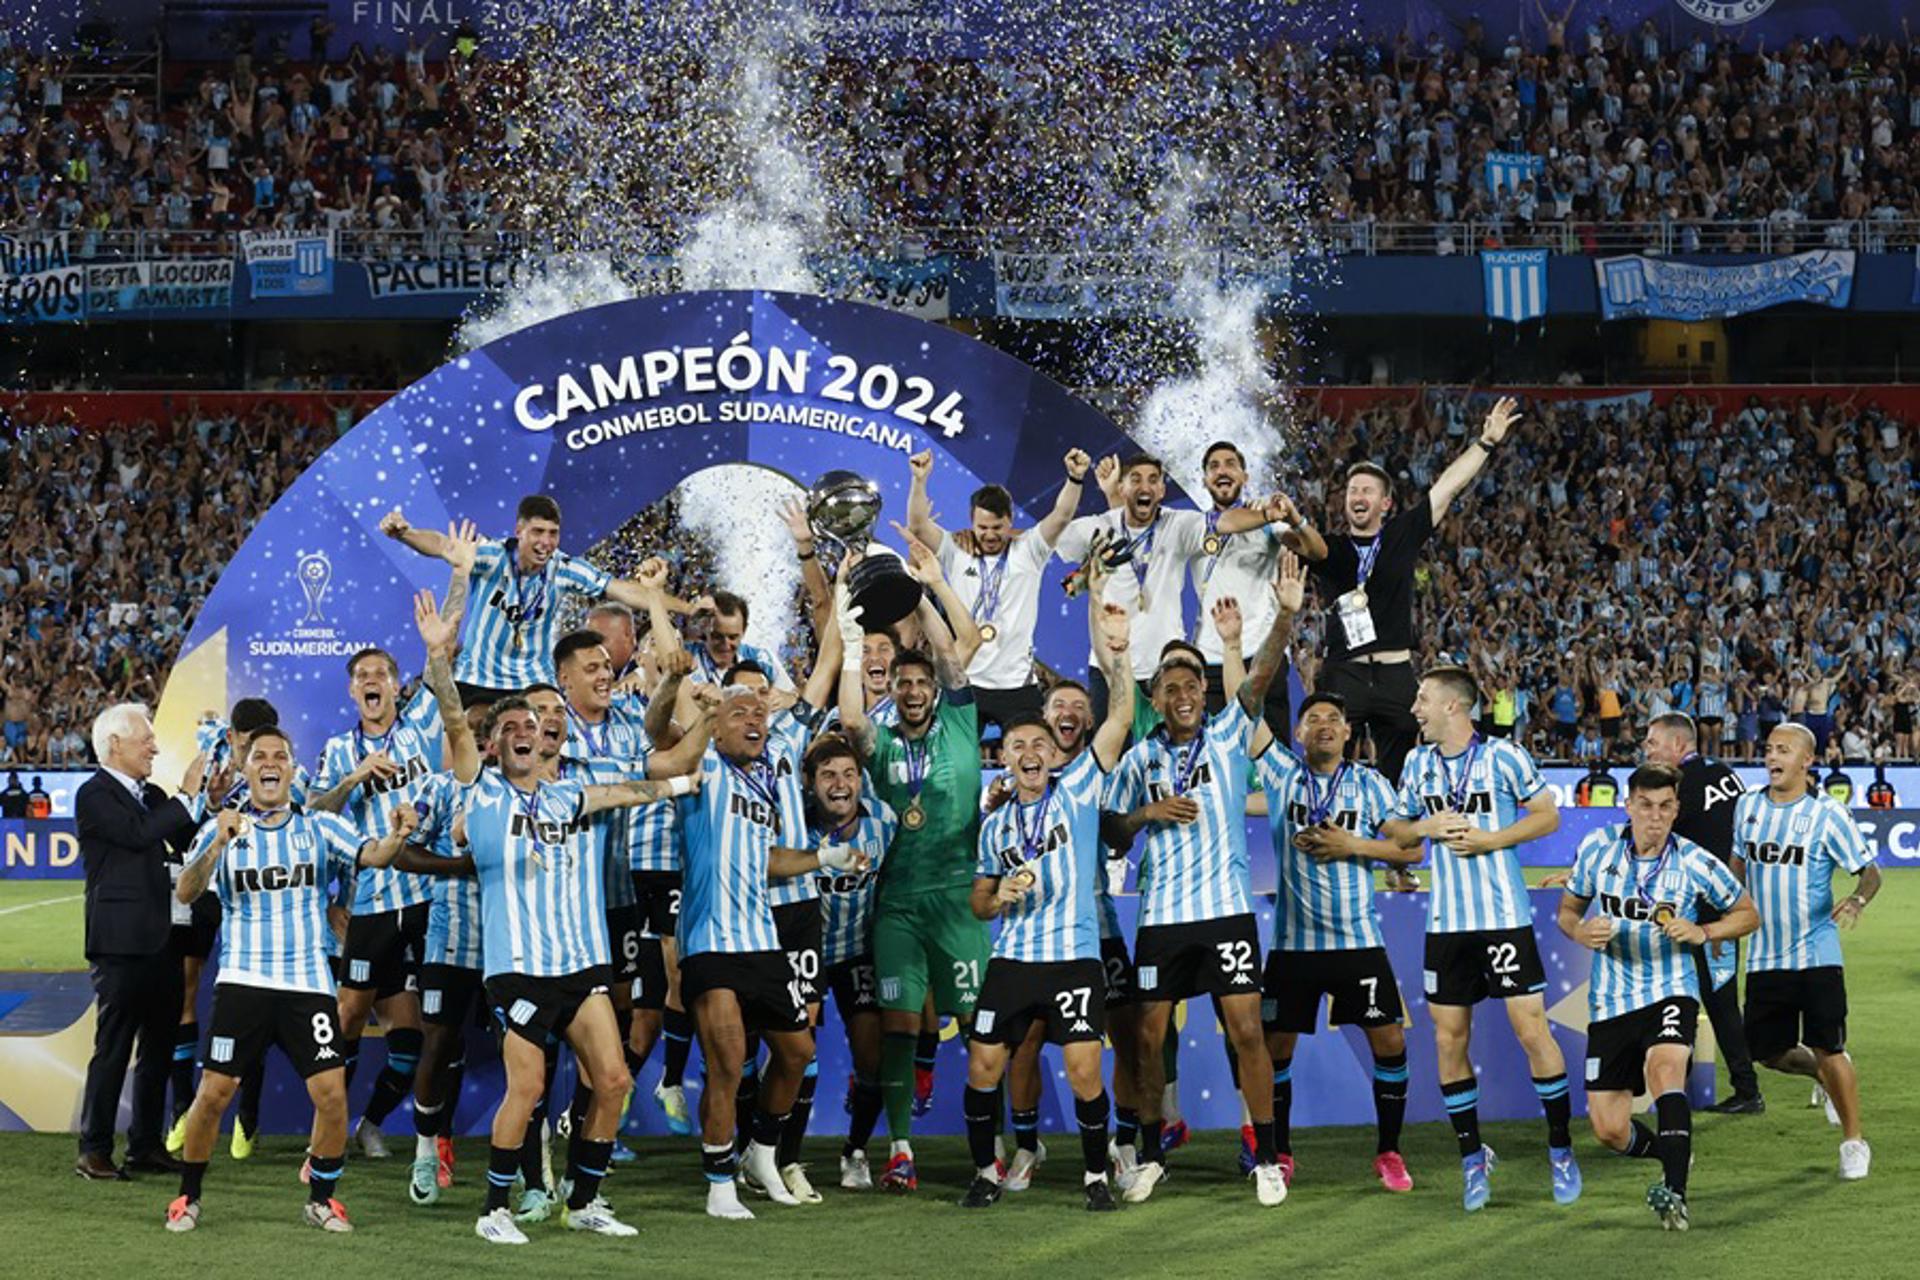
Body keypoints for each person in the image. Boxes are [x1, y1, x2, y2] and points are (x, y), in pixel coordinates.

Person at [416, 588, 693, 1245]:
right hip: (517, 972)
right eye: (508, 730)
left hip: (580, 965)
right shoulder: (479, 792)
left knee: (614, 1078)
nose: (522, 735)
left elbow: (633, 787)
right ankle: (495, 1210)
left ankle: (585, 1199)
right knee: (529, 1086)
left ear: (544, 739)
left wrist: (686, 783)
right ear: (492, 745)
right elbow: (456, 725)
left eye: (531, 728)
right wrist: (437, 659)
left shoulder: (569, 793)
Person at [1107, 552, 1306, 1206]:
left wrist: (1281, 613)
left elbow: (1266, 670)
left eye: (1193, 683)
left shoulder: (1227, 735)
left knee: (1247, 1033)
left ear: (1204, 692)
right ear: (1157, 697)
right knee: (1145, 1037)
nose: (1185, 693)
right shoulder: (1140, 758)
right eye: (1172, 685)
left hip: (1225, 913)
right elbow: (1110, 831)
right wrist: (1145, 813)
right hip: (1161, 918)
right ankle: (1150, 1150)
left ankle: (1268, 1157)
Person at [164, 726, 417, 1233]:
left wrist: (398, 835)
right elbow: (187, 893)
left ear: (293, 770)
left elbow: (373, 855)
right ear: (247, 769)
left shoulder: (320, 826)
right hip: (244, 982)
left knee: (331, 1095)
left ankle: (322, 1199)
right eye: (260, 756)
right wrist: (215, 843)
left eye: (281, 755)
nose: (270, 763)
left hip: (307, 985)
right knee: (212, 1095)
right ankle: (187, 1197)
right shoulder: (224, 827)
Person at [958, 566, 1134, 1213]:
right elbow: (977, 900)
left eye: (1039, 743)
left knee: (1085, 1068)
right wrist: (996, 897)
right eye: (1017, 744)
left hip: (1074, 956)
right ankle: (986, 1171)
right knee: (983, 1065)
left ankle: (1094, 1179)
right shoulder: (995, 819)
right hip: (1012, 958)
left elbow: (1119, 717)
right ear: (1004, 758)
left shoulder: (1081, 788)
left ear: (1052, 755)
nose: (1030, 751)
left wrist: (1117, 657)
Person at [1380, 663, 1573, 1213]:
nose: (1415, 708)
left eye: (1423, 699)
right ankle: (1472, 1160)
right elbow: (1395, 830)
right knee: (1448, 1040)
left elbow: (1547, 817)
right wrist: (1425, 828)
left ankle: (1560, 1148)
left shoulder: (1504, 756)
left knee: (1531, 1032)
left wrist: (1492, 839)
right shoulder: (1417, 763)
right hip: (1447, 925)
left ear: (1453, 706)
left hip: (1503, 916)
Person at [672, 672, 863, 1220]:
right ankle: (718, 1184)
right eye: (739, 714)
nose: (754, 720)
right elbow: (663, 740)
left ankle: (761, 1153)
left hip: (762, 939)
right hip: (710, 942)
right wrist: (698, 706)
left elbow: (768, 861)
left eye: (759, 714)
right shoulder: (702, 768)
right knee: (729, 1061)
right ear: (715, 729)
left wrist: (825, 859)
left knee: (798, 1055)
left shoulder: (761, 787)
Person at [835, 569, 992, 1193]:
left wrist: (919, 593)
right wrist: (851, 640)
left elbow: (952, 652)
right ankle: (900, 1150)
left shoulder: (959, 721)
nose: (913, 691)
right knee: (899, 1025)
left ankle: (992, 1149)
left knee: (984, 1027)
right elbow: (850, 718)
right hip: (896, 903)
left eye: (921, 682)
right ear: (894, 691)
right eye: (903, 684)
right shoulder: (882, 744)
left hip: (959, 898)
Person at [1556, 763, 1760, 1233]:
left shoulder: (1694, 860)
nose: (1655, 816)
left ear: (1676, 810)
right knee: (1608, 1128)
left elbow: (1747, 914)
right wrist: (1581, 931)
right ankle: (1671, 1155)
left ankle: (1675, 1194)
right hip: (1610, 997)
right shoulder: (1597, 849)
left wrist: (1704, 930)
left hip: (1671, 987)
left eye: (1665, 806)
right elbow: (1569, 911)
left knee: (1666, 1071)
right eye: (1645, 806)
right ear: (1627, 806)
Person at [1256, 691, 1421, 1193]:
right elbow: (1247, 709)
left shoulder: (1370, 785)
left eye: (1334, 718)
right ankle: (1279, 1152)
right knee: (1275, 1050)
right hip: (1293, 946)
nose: (1324, 725)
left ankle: (1390, 1152)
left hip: (1357, 942)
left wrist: (1352, 845)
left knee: (1389, 1042)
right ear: (1299, 733)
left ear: (1350, 732)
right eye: (1313, 719)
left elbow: (1410, 848)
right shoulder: (1281, 774)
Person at [1310, 397, 1521, 782]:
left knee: (1399, 779)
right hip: (1344, 675)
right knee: (1325, 768)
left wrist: (1486, 442)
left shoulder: (1401, 535)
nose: (1358, 497)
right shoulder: (1330, 548)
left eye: (1367, 491)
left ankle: (1394, 842)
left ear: (1385, 502)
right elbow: (1299, 539)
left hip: (1395, 677)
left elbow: (1447, 488)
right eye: (1352, 490)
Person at [309, 630, 450, 1159]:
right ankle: (330, 1130)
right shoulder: (341, 749)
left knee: (415, 1038)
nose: (371, 682)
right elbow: (317, 813)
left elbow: (443, 669)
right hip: (371, 901)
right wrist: (355, 777)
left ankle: (375, 1123)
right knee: (347, 1017)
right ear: (351, 694)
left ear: (396, 687)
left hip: (427, 897)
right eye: (361, 677)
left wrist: (455, 588)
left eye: (380, 675)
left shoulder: (420, 727)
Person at [76, 703, 222, 1182]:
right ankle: (93, 1149)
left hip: (165, 938)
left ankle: (145, 1145)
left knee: (158, 1049)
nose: (155, 748)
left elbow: (185, 836)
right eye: (146, 740)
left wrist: (208, 802)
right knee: (114, 1048)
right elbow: (139, 836)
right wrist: (186, 794)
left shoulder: (153, 794)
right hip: (120, 944)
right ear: (114, 744)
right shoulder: (93, 794)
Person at [1733, 723, 1882, 1181]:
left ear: (1807, 762)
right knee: (1768, 1052)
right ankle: (1822, 1073)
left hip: (1817, 951)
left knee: (1828, 1045)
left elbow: (1869, 872)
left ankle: (1854, 1142)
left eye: (1784, 750)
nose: (1772, 756)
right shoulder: (1748, 807)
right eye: (1769, 749)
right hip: (1764, 954)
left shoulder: (1827, 815)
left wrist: (1857, 898)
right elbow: (1738, 864)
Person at [1101, 441, 1327, 736]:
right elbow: (1134, 531)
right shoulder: (1191, 527)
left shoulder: (1267, 523)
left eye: (1231, 464)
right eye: (1214, 466)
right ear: (1205, 480)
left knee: (1272, 758)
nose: (1222, 470)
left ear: (1244, 477)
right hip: (1210, 661)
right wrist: (1111, 494)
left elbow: (1317, 551)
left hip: (1263, 655)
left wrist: (1294, 518)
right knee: (1219, 760)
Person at [1056, 453, 1291, 712]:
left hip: (1167, 668)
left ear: (1162, 490)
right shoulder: (1098, 528)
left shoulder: (1179, 524)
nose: (1145, 486)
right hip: (1110, 667)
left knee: (1173, 751)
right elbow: (1050, 535)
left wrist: (1268, 514)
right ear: (1121, 488)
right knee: (1113, 749)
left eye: (1153, 480)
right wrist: (1075, 480)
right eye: (1135, 479)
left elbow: (1224, 522)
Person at [379, 497, 662, 703]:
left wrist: (683, 605)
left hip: (533, 684)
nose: (546, 542)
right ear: (519, 531)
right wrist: (406, 533)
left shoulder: (563, 569)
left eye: (553, 534)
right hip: (477, 681)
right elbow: (442, 545)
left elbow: (622, 590)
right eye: (538, 532)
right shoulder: (492, 555)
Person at [905, 445, 1090, 736]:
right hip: (967, 679)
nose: (989, 535)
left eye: (997, 527)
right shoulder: (955, 550)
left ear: (1011, 521)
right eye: (982, 527)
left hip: (1017, 684)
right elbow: (917, 525)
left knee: (1032, 754)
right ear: (971, 521)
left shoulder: (1030, 549)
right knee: (955, 761)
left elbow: (1062, 515)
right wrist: (919, 480)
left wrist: (1075, 479)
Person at [1642, 713, 1762, 1114]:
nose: (1647, 748)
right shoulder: (1726, 773)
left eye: (1652, 742)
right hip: (1725, 906)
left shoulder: (1681, 785)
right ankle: (1690, 1086)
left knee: (1715, 1003)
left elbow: (1650, 834)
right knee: (1708, 1000)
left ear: (1678, 746)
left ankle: (1747, 1091)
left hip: (1708, 915)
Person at [800, 734, 895, 1190]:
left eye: (849, 774)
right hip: (805, 955)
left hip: (857, 951)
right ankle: (779, 1155)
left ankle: (855, 1151)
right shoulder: (795, 830)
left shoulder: (885, 824)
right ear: (811, 784)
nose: (840, 785)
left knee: (873, 1058)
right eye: (829, 776)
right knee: (796, 1056)